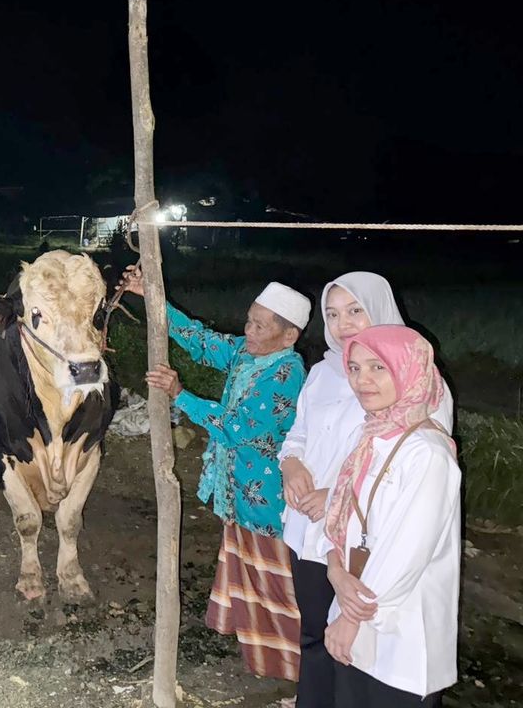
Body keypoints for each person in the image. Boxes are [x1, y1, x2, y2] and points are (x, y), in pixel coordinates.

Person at [123, 267, 308, 682]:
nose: (250, 330)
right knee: (257, 581)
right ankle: (266, 659)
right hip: (239, 492)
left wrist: (179, 395)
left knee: (278, 588)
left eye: (260, 325)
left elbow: (236, 428)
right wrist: (152, 298)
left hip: (267, 502)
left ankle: (300, 670)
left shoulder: (286, 374)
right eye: (249, 320)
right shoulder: (251, 353)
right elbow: (203, 343)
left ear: (289, 335)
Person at [278, 273, 453, 707]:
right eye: (333, 314)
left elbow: (405, 475)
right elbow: (299, 433)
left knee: (355, 654)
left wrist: (337, 495)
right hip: (318, 534)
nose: (343, 324)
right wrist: (291, 464)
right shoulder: (323, 372)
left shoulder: (416, 382)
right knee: (315, 635)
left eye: (355, 310)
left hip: (366, 551)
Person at [319, 326, 460, 706]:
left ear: (408, 370)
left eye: (378, 367)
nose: (363, 380)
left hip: (401, 635)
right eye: (354, 367)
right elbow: (338, 516)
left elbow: (406, 553)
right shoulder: (369, 436)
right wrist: (334, 569)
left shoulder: (427, 454)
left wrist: (352, 620)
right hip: (350, 610)